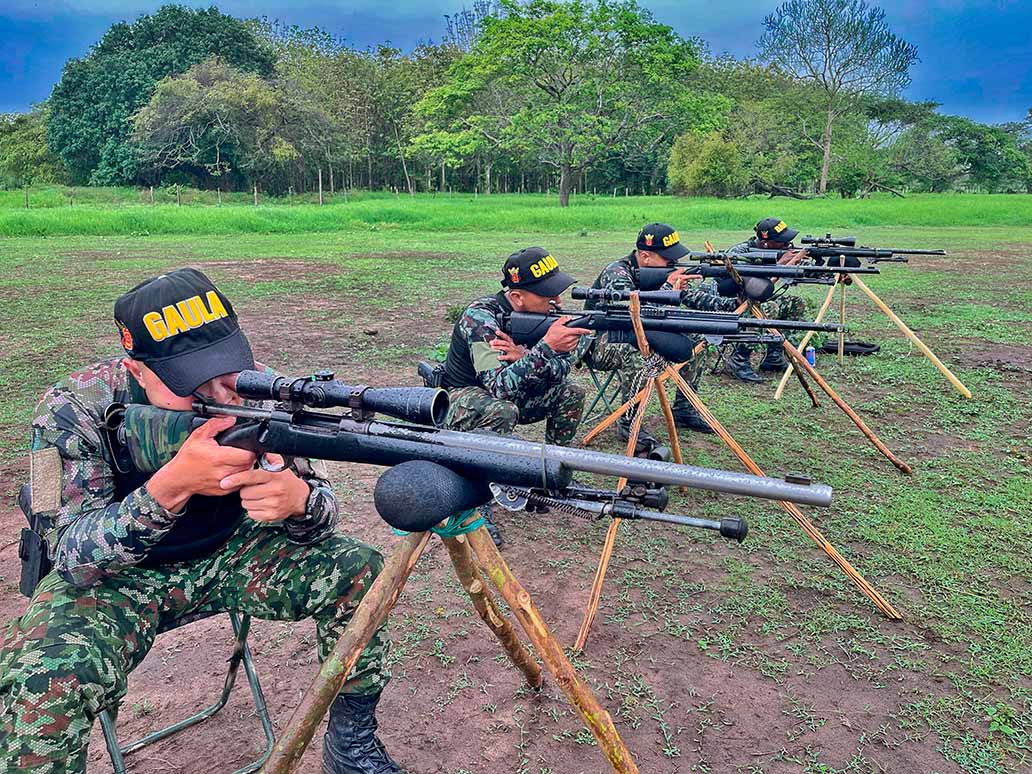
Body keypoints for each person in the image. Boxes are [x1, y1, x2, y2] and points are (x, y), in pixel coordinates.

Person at [0, 268, 400, 774]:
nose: (220, 394)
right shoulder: (70, 409)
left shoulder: (260, 386)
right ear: (137, 370)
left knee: (362, 572)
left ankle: (351, 742)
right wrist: (169, 488)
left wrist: (300, 501)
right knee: (44, 680)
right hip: (118, 583)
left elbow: (322, 507)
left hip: (234, 553)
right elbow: (69, 554)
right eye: (189, 381)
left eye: (226, 369)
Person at [440, 248, 590, 545]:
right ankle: (478, 504)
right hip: (462, 401)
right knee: (502, 409)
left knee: (571, 393)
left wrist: (526, 355)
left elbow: (562, 370)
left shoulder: (545, 316)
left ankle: (551, 474)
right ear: (518, 297)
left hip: (508, 396)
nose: (557, 301)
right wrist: (545, 348)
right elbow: (498, 387)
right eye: (547, 295)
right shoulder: (480, 318)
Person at [581, 223, 741, 438]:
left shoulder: (661, 273)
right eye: (667, 259)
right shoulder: (617, 272)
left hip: (643, 333)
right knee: (637, 352)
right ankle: (629, 422)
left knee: (696, 337)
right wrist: (667, 288)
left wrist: (733, 303)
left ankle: (684, 409)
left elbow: (692, 298)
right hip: (604, 338)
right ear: (645, 256)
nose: (672, 263)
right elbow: (630, 315)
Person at [724, 217, 809, 382]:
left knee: (794, 303)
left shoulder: (775, 252)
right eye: (782, 242)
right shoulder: (740, 253)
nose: (787, 245)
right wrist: (780, 265)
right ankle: (738, 361)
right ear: (765, 243)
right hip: (730, 303)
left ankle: (774, 357)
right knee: (770, 308)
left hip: (753, 302)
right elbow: (747, 286)